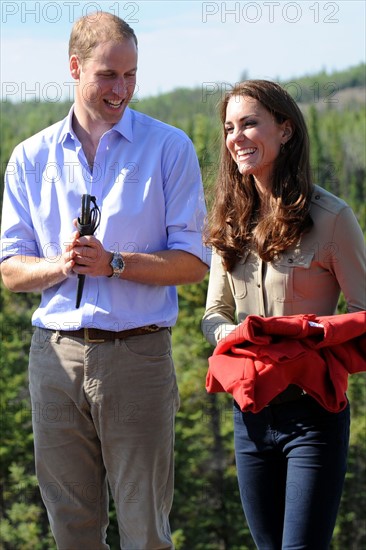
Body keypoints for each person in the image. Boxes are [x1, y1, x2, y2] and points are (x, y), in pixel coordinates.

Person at [0, 11, 210, 550]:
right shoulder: (30, 157)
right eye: (108, 75)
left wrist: (115, 263)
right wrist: (62, 266)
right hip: (54, 357)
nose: (122, 89)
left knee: (145, 530)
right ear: (75, 67)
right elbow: (10, 271)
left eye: (131, 75)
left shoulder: (169, 147)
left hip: (137, 356)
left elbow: (195, 263)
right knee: (71, 529)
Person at [201, 80, 366, 549]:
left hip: (313, 416)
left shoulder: (332, 218)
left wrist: (299, 337)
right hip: (249, 415)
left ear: (286, 130)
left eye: (250, 123)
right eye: (230, 127)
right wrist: (239, 337)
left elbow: (363, 313)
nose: (237, 137)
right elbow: (214, 314)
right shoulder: (230, 219)